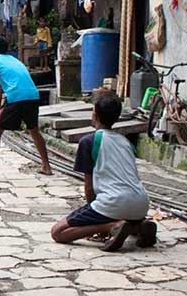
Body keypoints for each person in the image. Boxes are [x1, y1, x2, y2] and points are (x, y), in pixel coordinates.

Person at [51, 94, 156, 252]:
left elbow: (89, 187)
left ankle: (111, 226)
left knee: (58, 232)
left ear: (95, 114)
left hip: (113, 202)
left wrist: (96, 222)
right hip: (141, 204)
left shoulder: (89, 141)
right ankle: (139, 226)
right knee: (123, 215)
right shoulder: (125, 142)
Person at [0, 36, 53, 181]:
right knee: (34, 130)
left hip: (16, 96)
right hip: (33, 95)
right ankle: (46, 166)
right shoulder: (14, 60)